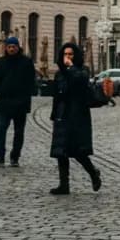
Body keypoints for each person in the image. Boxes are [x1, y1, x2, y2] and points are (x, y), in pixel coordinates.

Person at [48, 40, 104, 194]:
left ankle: (93, 173)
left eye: (70, 54)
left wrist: (71, 67)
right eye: (65, 54)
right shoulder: (59, 73)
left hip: (78, 114)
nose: (68, 57)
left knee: (79, 151)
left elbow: (80, 80)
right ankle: (64, 185)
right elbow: (57, 95)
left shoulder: (82, 70)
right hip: (62, 114)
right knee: (61, 151)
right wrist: (54, 113)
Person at [0, 34, 35, 165]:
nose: (11, 49)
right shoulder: (0, 62)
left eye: (14, 46)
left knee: (19, 132)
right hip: (4, 102)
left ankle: (15, 157)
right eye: (9, 46)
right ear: (6, 48)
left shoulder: (26, 62)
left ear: (18, 47)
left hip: (21, 103)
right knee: (1, 130)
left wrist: (26, 97)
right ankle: (0, 156)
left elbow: (31, 81)